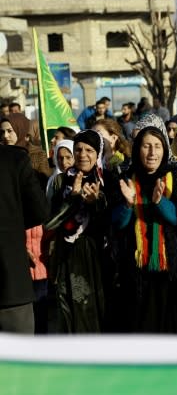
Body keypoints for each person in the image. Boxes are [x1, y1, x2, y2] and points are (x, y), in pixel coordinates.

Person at [111, 126, 177, 332]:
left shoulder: (175, 176)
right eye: (147, 146)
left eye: (157, 146)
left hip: (170, 270)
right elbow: (117, 224)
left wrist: (160, 203)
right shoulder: (126, 178)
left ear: (165, 150)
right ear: (137, 148)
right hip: (136, 271)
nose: (152, 153)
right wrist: (128, 205)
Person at [46, 130, 109, 332]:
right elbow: (50, 222)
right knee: (69, 314)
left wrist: (96, 203)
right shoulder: (61, 181)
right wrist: (72, 198)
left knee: (95, 314)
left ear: (98, 153)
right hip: (67, 255)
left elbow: (111, 224)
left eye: (89, 150)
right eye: (78, 149)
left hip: (96, 259)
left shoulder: (107, 180)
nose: (82, 154)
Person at [0, 145, 49, 333]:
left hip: (12, 288)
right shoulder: (14, 159)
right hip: (11, 281)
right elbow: (40, 210)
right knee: (18, 358)